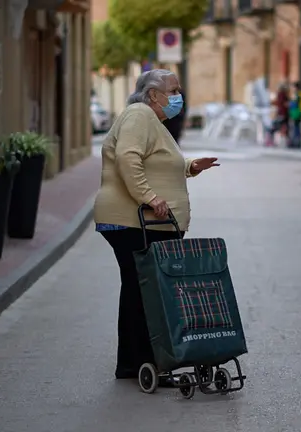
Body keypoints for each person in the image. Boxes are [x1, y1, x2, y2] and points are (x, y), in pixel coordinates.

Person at [93, 69, 220, 383]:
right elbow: (128, 158)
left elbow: (156, 162)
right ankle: (144, 363)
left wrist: (190, 167)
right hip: (135, 221)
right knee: (146, 293)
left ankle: (132, 364)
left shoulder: (152, 121)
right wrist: (149, 197)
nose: (179, 96)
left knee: (138, 291)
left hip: (146, 223)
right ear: (153, 94)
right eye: (173, 91)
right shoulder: (139, 115)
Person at [265, 82, 290, 147]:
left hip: (282, 114)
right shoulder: (282, 95)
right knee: (280, 128)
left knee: (276, 128)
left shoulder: (281, 95)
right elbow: (282, 105)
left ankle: (271, 141)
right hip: (283, 115)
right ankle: (272, 141)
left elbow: (280, 105)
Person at [288, 82, 301, 149]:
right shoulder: (300, 94)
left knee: (296, 128)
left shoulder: (298, 95)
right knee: (296, 127)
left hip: (297, 113)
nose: (293, 89)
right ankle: (297, 141)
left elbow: (294, 104)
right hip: (297, 113)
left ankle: (297, 142)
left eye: (293, 87)